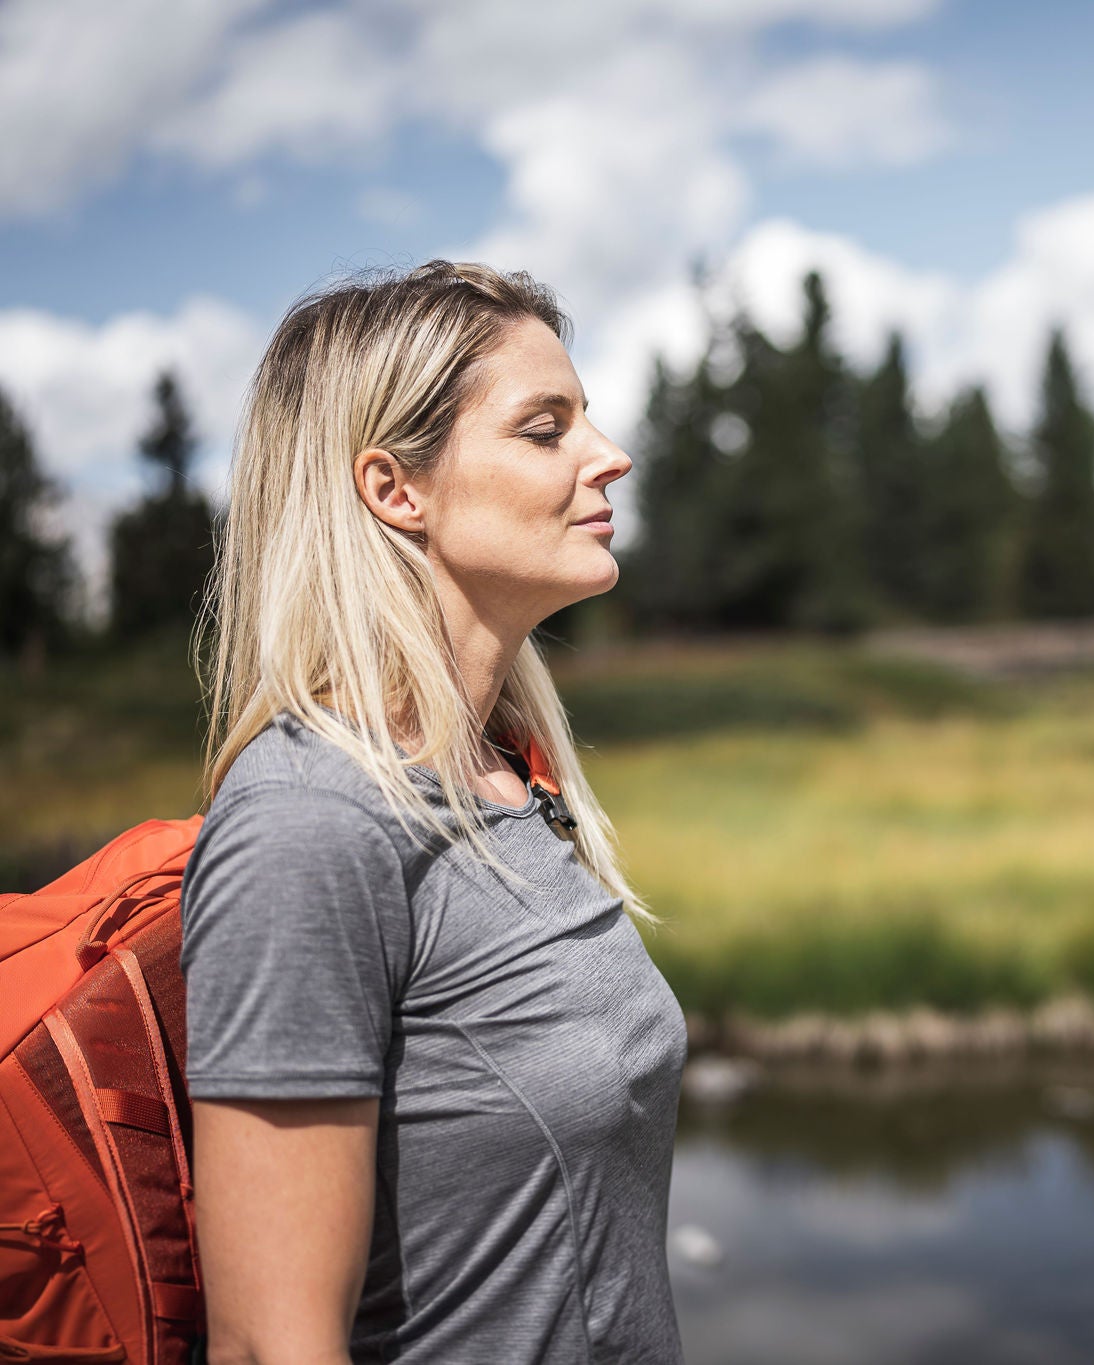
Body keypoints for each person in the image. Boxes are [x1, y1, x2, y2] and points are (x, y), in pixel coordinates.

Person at [179, 260, 689, 1363]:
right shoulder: (308, 824)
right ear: (393, 489)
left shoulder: (512, 775)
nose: (610, 455)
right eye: (545, 428)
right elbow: (272, 1345)